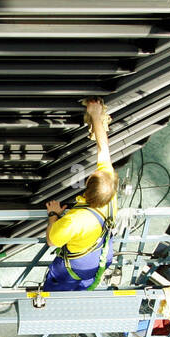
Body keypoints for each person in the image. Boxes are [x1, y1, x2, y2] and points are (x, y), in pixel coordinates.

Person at [43, 97, 117, 292]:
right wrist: (96, 116)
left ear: (87, 185)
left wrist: (53, 215)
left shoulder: (75, 220)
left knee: (55, 291)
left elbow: (51, 241)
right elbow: (104, 150)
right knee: (84, 287)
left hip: (74, 267)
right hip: (102, 257)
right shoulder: (109, 194)